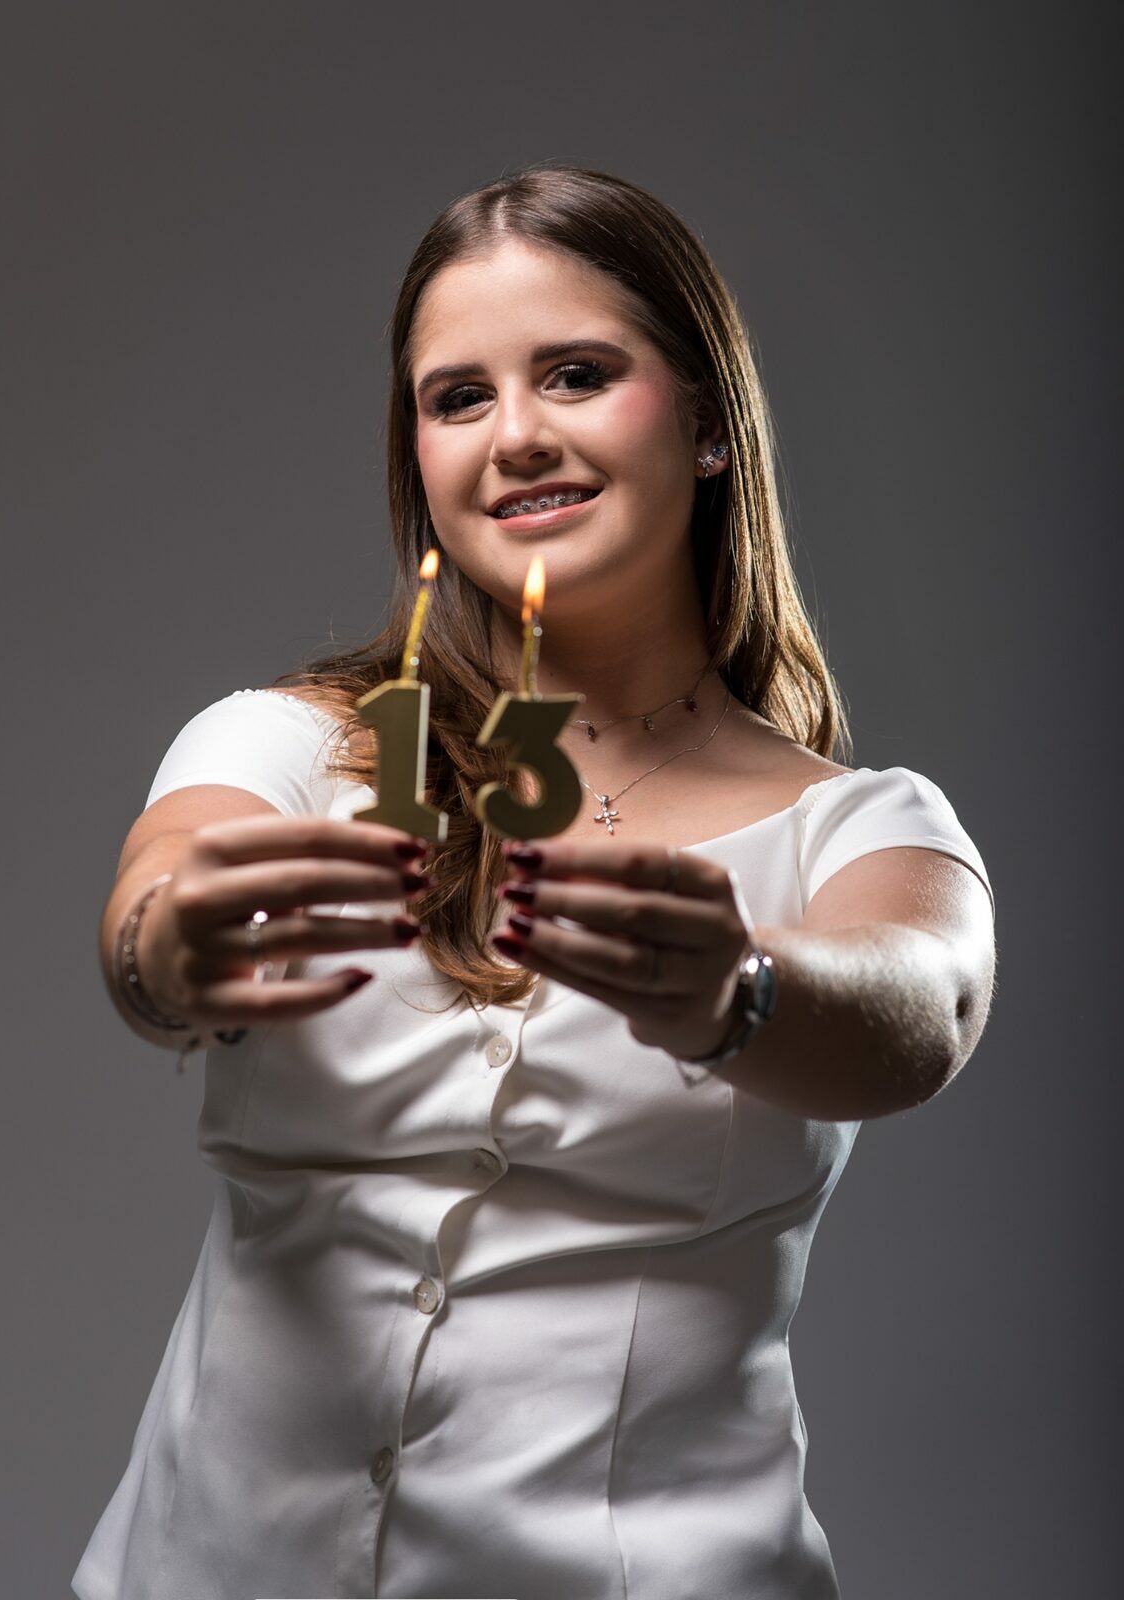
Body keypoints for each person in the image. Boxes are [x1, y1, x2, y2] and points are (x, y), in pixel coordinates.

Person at [73, 166, 996, 1600]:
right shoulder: (293, 744)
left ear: (707, 421)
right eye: (459, 398)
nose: (515, 437)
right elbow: (160, 888)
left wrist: (743, 989)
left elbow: (921, 1007)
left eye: (575, 374)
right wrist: (163, 955)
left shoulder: (861, 825)